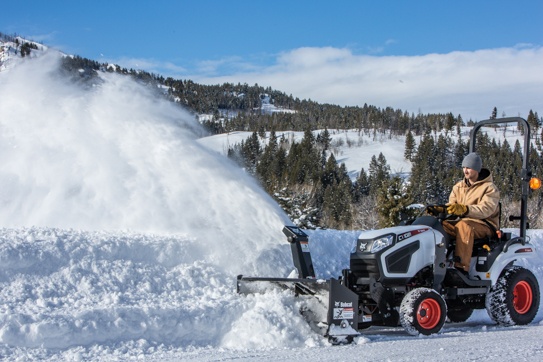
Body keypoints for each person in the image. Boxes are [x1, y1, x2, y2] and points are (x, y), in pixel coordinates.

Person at [442, 152, 500, 272]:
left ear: (477, 169)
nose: (465, 171)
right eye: (464, 167)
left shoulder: (489, 188)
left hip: (484, 224)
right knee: (438, 226)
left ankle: (461, 268)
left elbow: (486, 209)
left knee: (464, 226)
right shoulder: (458, 187)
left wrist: (465, 209)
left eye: (469, 167)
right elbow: (452, 206)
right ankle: (437, 263)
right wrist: (441, 211)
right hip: (461, 222)